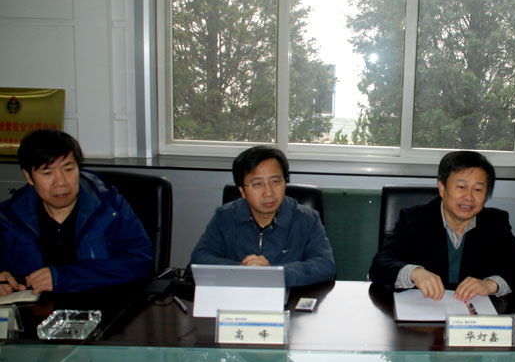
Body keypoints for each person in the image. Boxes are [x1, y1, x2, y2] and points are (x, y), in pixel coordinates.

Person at [0, 130, 154, 295]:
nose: (61, 182)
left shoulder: (109, 207)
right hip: (35, 309)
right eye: (47, 173)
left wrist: (64, 277)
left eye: (68, 169)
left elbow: (140, 261)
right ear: (29, 177)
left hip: (101, 304)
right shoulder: (9, 218)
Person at [369, 150, 515, 301]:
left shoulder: (495, 222)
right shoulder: (414, 219)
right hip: (425, 314)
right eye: (461, 187)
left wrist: (491, 284)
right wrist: (415, 273)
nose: (469, 197)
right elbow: (379, 266)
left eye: (477, 189)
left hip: (473, 316)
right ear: (442, 188)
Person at [191, 146, 335, 287]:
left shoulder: (307, 219)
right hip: (237, 295)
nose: (269, 192)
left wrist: (275, 274)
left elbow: (325, 265)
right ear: (242, 191)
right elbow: (199, 259)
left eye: (275, 181)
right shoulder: (225, 217)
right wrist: (240, 269)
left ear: (285, 182)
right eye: (257, 184)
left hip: (288, 297)